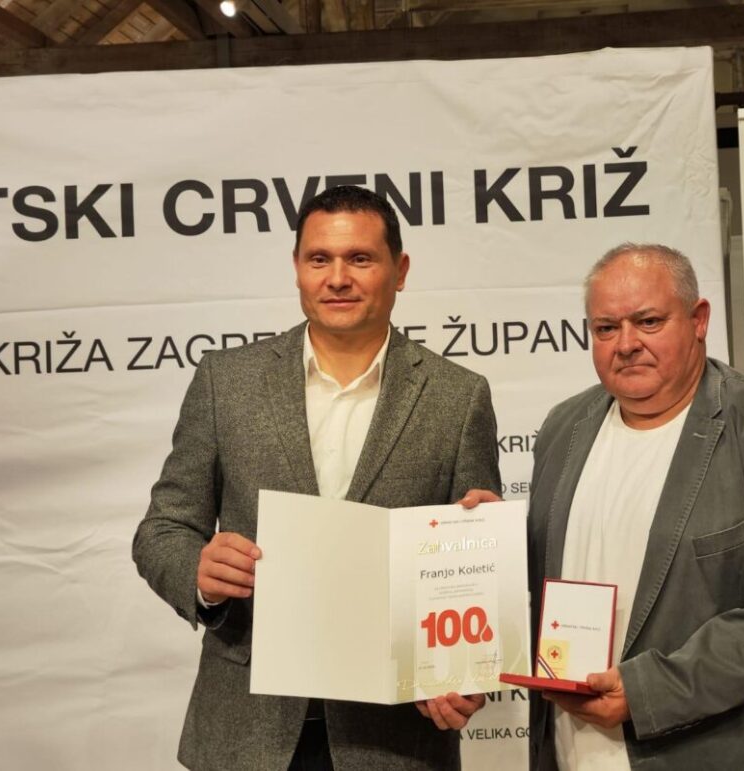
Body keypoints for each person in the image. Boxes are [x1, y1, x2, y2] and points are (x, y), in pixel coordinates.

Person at [133, 185, 499, 771]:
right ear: (298, 268)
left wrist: (464, 664)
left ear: (400, 270)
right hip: (245, 732)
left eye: (360, 259)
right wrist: (199, 574)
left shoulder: (459, 398)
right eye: (319, 259)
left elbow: (468, 572)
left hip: (394, 739)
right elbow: (164, 529)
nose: (337, 278)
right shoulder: (227, 381)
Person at [525, 244, 744, 769]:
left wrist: (646, 691)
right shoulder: (565, 426)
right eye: (605, 328)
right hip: (577, 752)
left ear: (698, 320)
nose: (626, 344)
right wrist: (481, 540)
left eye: (648, 321)